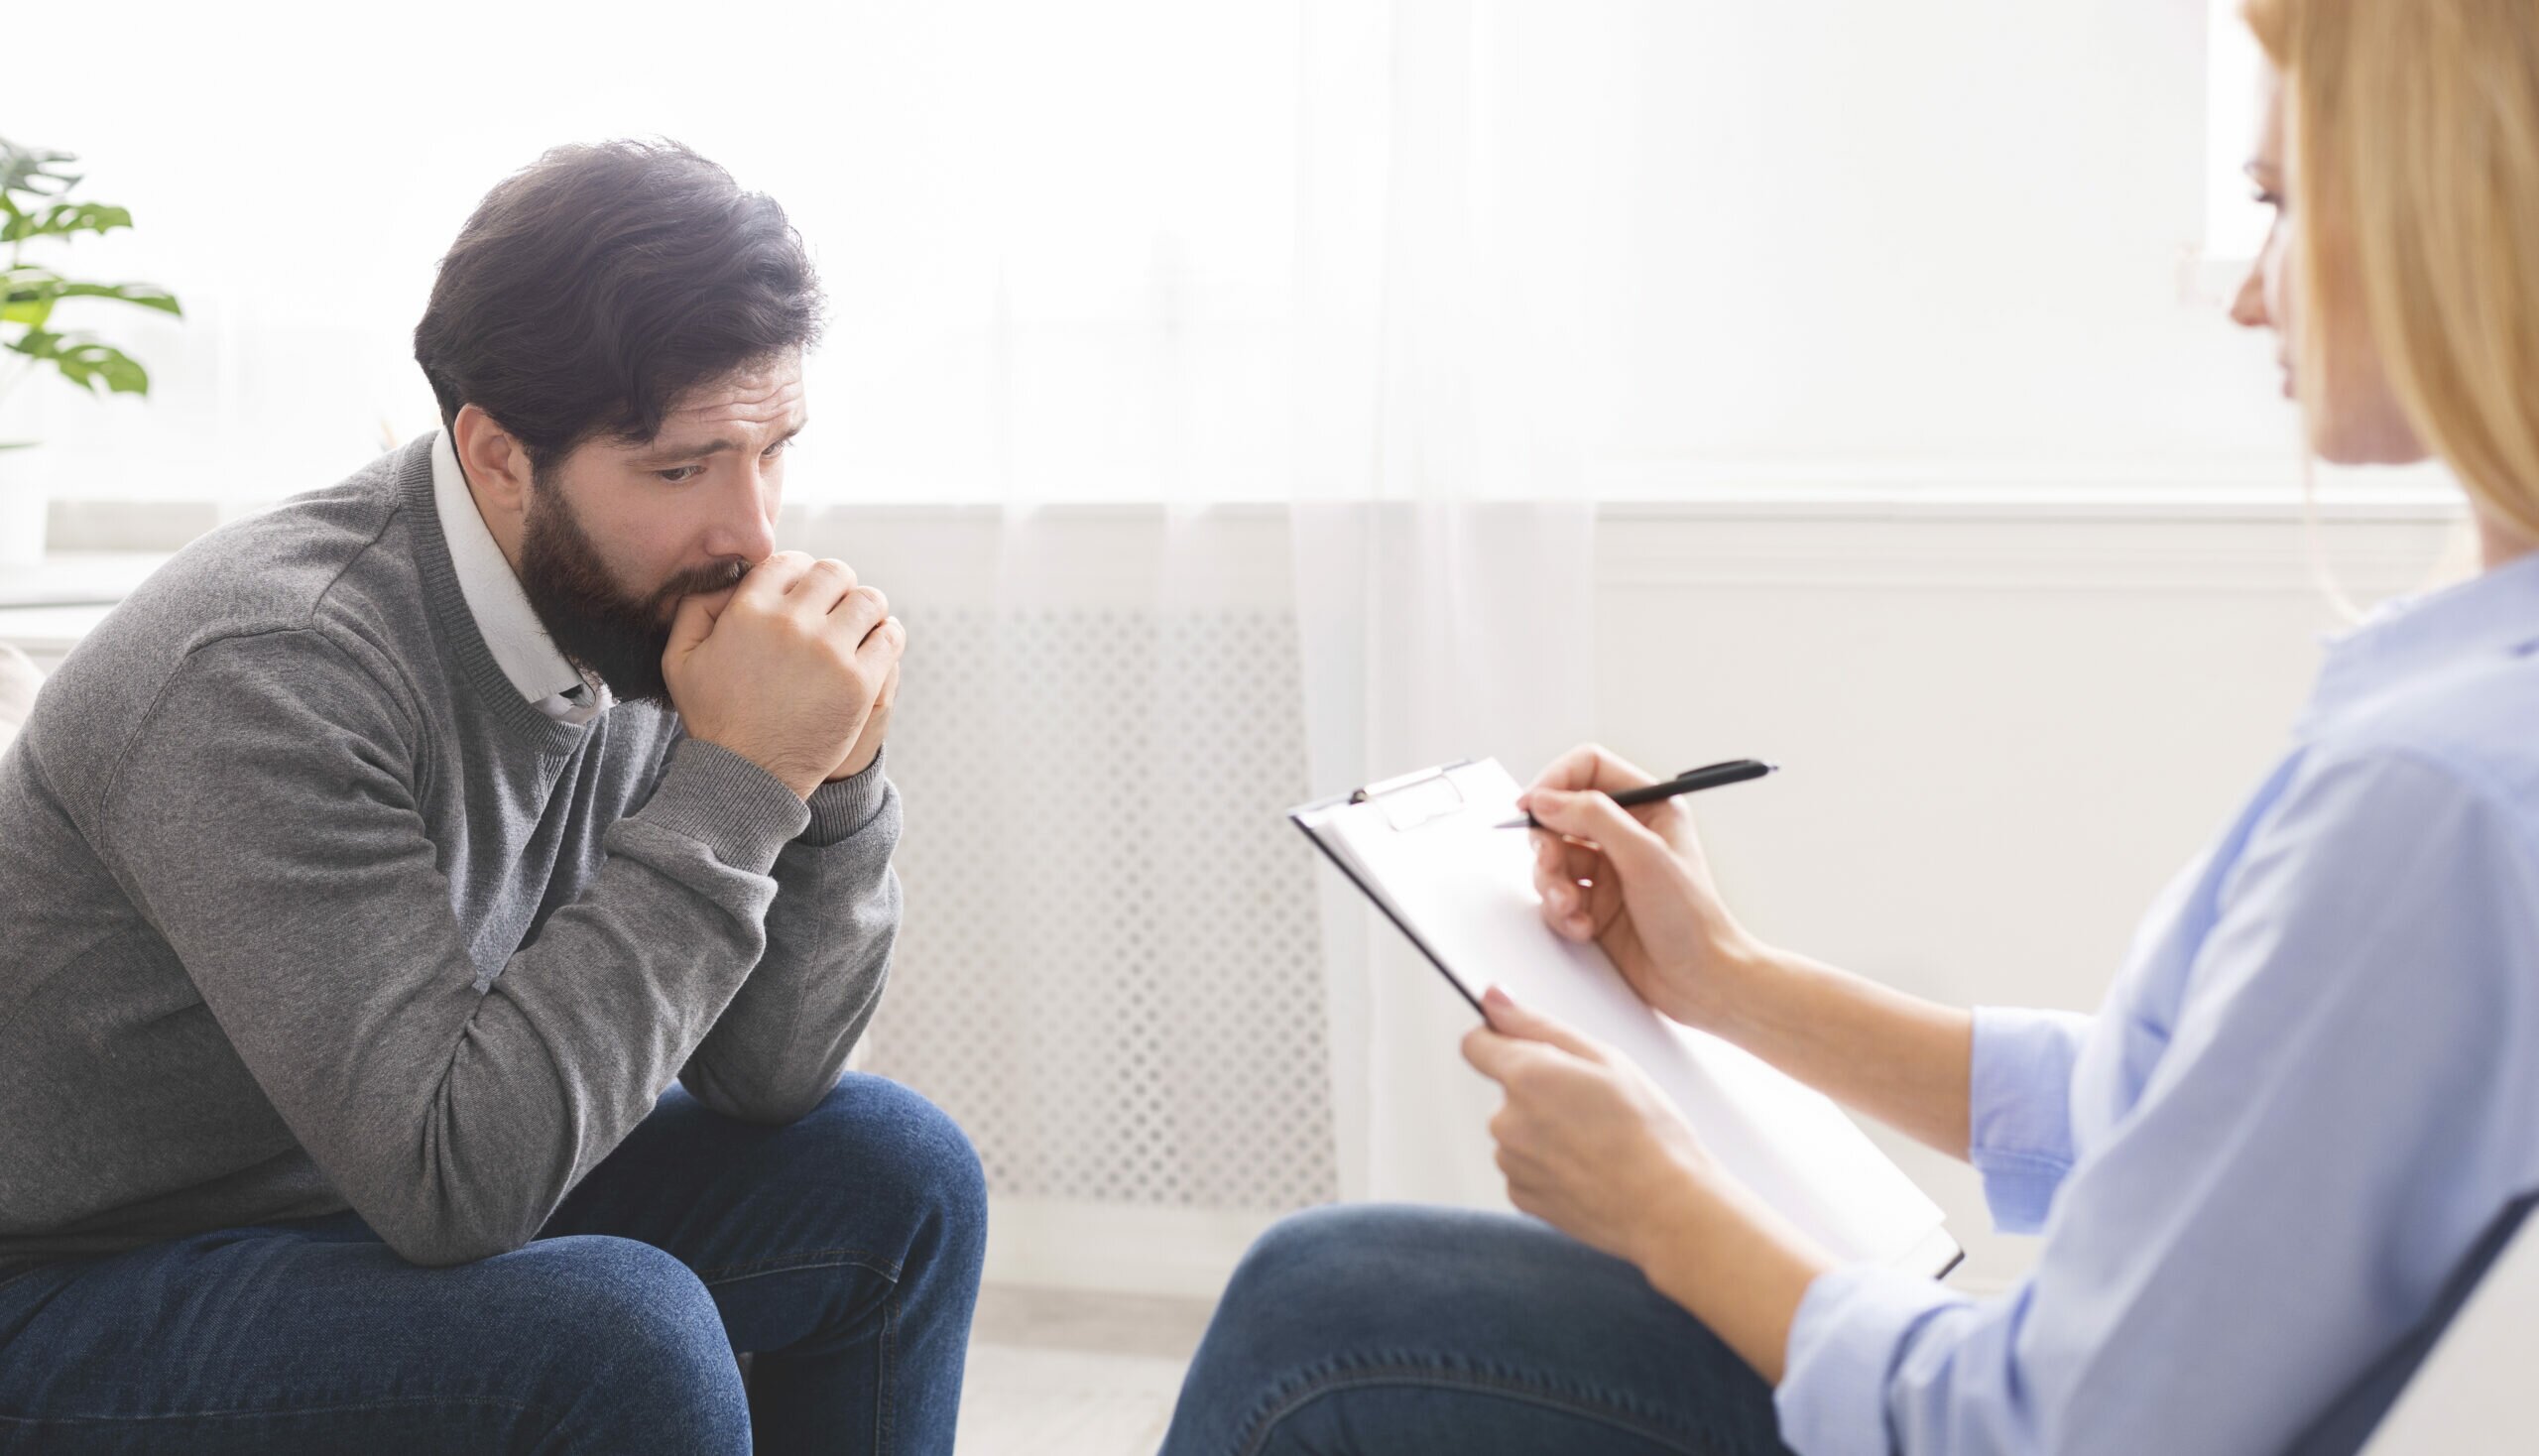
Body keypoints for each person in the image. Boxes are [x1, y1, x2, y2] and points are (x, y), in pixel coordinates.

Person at [1159, 1, 2539, 1452]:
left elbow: (2054, 1426)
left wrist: (1661, 1202)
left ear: (2459, 209)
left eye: (2277, 205)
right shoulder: (2467, 724)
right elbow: (2161, 1099)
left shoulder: (2436, 794)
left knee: (1322, 1313)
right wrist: (1727, 981)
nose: (2250, 294)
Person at [0, 140, 984, 1455]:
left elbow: (768, 1076)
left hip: (344, 1196)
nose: (749, 535)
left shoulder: (631, 603)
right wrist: (744, 781)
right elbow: (455, 1189)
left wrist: (833, 777)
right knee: (616, 1332)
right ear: (499, 454)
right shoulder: (270, 671)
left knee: (896, 1175)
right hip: (75, 1280)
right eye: (682, 469)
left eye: (772, 451)